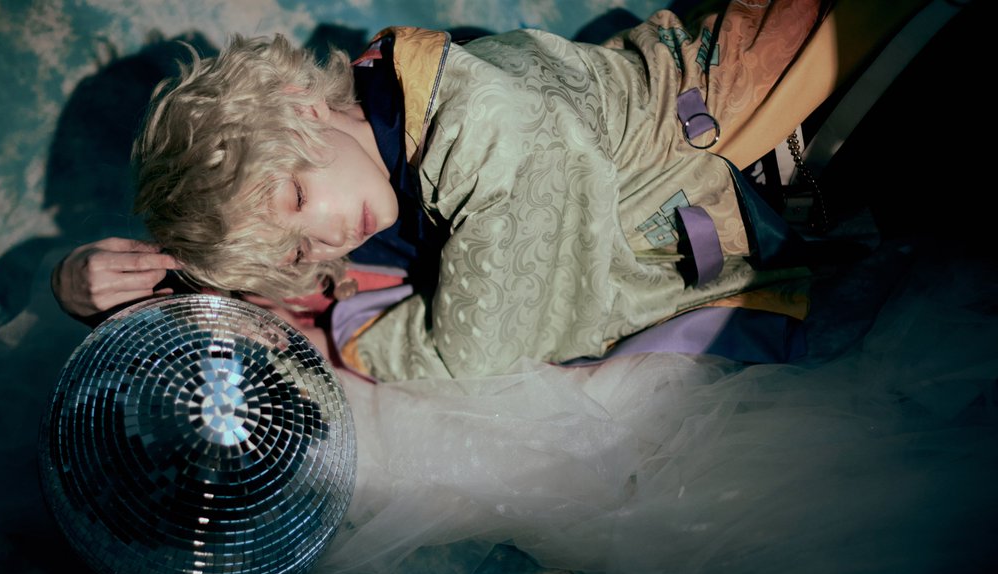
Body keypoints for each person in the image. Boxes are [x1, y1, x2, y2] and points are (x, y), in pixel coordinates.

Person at [51, 0, 927, 380]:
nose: (324, 243)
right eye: (298, 250)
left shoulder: (477, 121)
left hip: (824, 115)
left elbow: (485, 348)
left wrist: (358, 348)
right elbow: (287, 294)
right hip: (807, 190)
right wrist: (114, 286)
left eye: (296, 204)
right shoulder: (374, 151)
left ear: (297, 103)